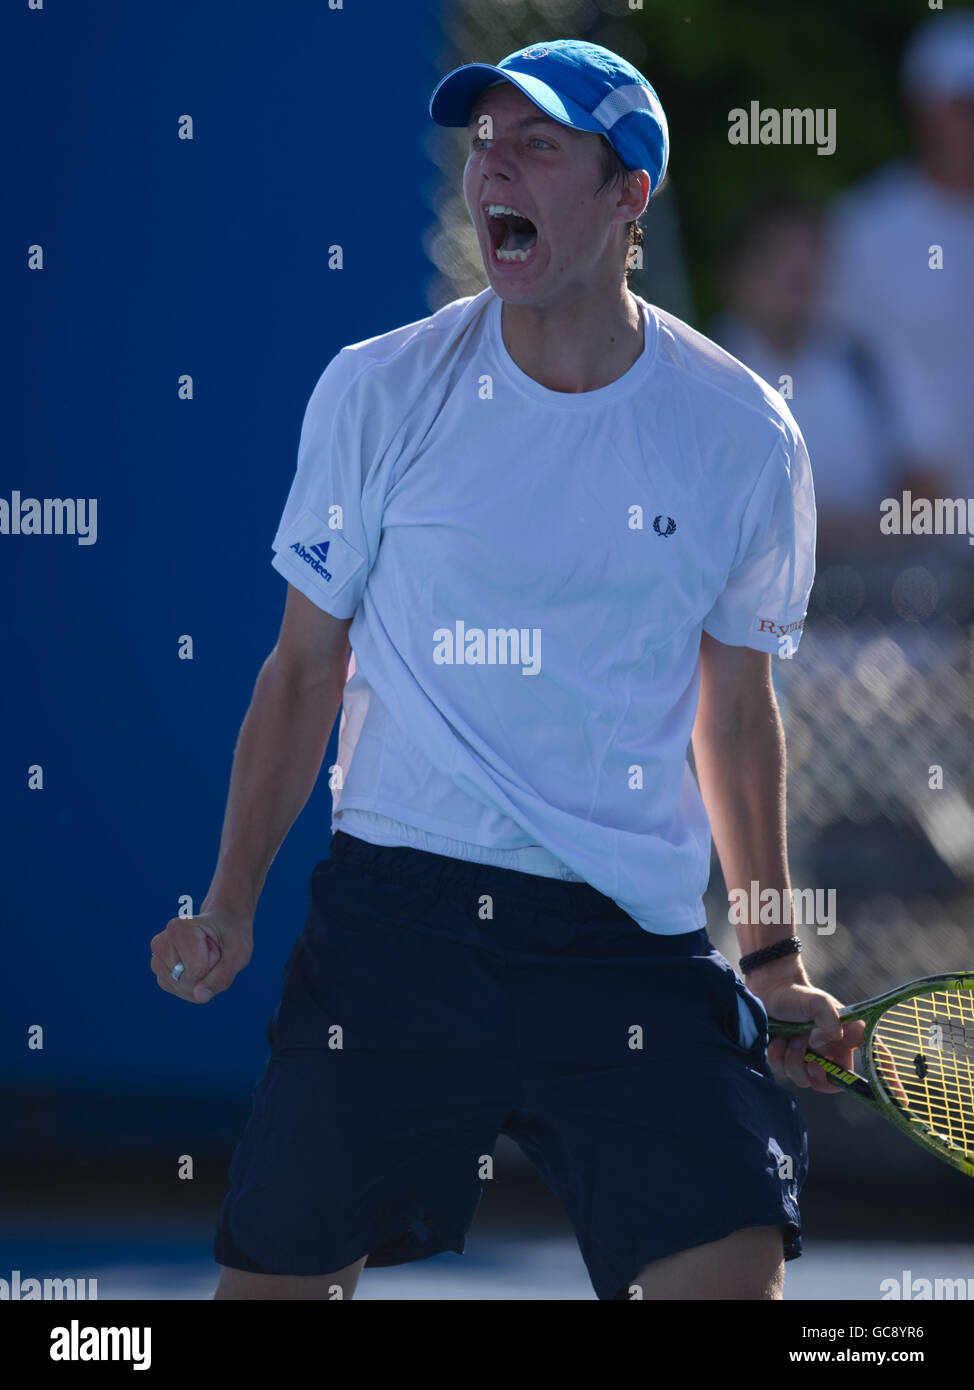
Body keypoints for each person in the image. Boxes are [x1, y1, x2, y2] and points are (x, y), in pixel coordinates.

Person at [150, 38, 863, 1301]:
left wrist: (765, 960)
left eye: (536, 144)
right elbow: (301, 671)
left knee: (731, 1285)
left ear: (626, 194)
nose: (494, 168)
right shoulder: (377, 391)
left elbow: (737, 714)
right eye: (482, 141)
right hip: (398, 924)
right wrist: (229, 903)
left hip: (625, 947)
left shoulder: (745, 434)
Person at [823, 12, 974, 504]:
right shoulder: (863, 227)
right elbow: (835, 365)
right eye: (963, 104)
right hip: (904, 537)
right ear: (922, 108)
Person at [710, 197, 897, 564]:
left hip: (883, 610)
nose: (801, 296)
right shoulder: (702, 378)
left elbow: (930, 483)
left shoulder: (864, 365)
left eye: (809, 278)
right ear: (740, 276)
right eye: (786, 277)